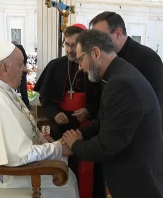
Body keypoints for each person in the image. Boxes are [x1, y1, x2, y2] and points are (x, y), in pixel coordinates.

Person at [62, 29, 163, 198]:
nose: (80, 67)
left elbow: (107, 146)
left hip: (141, 180)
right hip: (139, 171)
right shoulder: (117, 73)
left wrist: (75, 145)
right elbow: (106, 121)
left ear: (96, 53)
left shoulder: (121, 83)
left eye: (81, 59)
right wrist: (80, 134)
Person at [0, 42, 79, 198]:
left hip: (3, 161)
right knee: (66, 179)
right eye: (20, 64)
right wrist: (58, 148)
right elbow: (16, 157)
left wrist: (41, 140)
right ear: (4, 68)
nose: (25, 69)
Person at [34, 24, 102, 198]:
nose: (70, 50)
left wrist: (87, 110)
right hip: (60, 126)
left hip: (86, 127)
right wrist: (55, 113)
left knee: (87, 170)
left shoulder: (92, 67)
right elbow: (45, 98)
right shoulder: (55, 66)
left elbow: (102, 100)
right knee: (61, 167)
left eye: (74, 45)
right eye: (67, 44)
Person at [89, 11, 163, 144]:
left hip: (143, 137)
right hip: (116, 131)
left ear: (118, 33)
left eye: (100, 37)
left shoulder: (148, 59)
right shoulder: (106, 58)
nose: (96, 44)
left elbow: (152, 104)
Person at [12, 41, 30, 108]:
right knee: (23, 88)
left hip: (15, 72)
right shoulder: (20, 48)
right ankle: (26, 103)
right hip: (22, 71)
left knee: (13, 88)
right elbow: (25, 58)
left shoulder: (13, 50)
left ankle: (13, 103)